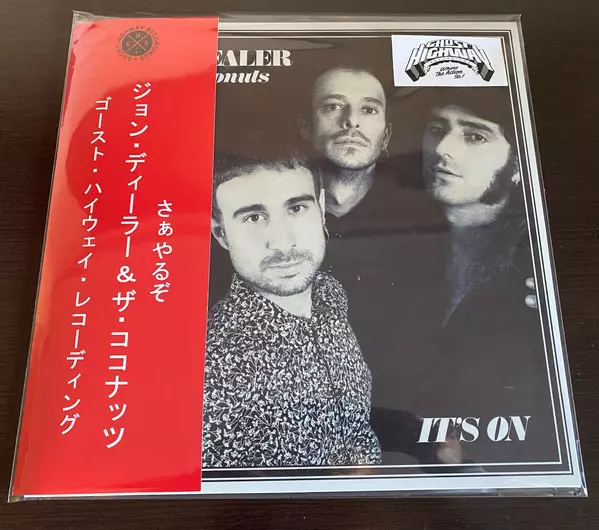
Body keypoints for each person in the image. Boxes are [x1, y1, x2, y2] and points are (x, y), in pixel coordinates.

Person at [202, 154, 382, 468]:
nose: (283, 243)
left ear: (321, 209)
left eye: (296, 208)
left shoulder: (329, 292)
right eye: (254, 218)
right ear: (221, 234)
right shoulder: (215, 369)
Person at [418, 89, 556, 463]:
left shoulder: (540, 267)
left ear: (518, 165)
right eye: (436, 128)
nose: (443, 148)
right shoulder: (396, 251)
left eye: (475, 136)